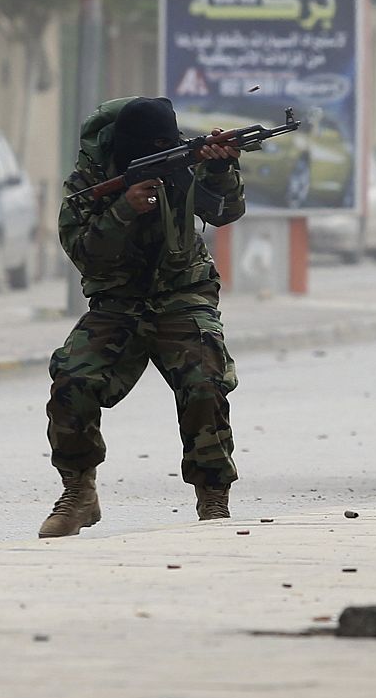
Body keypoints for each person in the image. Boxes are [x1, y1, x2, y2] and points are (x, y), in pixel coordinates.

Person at [41, 97, 244, 538]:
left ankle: (213, 496)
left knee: (205, 383)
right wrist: (124, 209)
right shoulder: (89, 182)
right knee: (72, 381)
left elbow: (224, 212)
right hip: (117, 304)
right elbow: (86, 256)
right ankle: (79, 492)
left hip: (182, 296)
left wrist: (218, 168)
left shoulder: (181, 166)